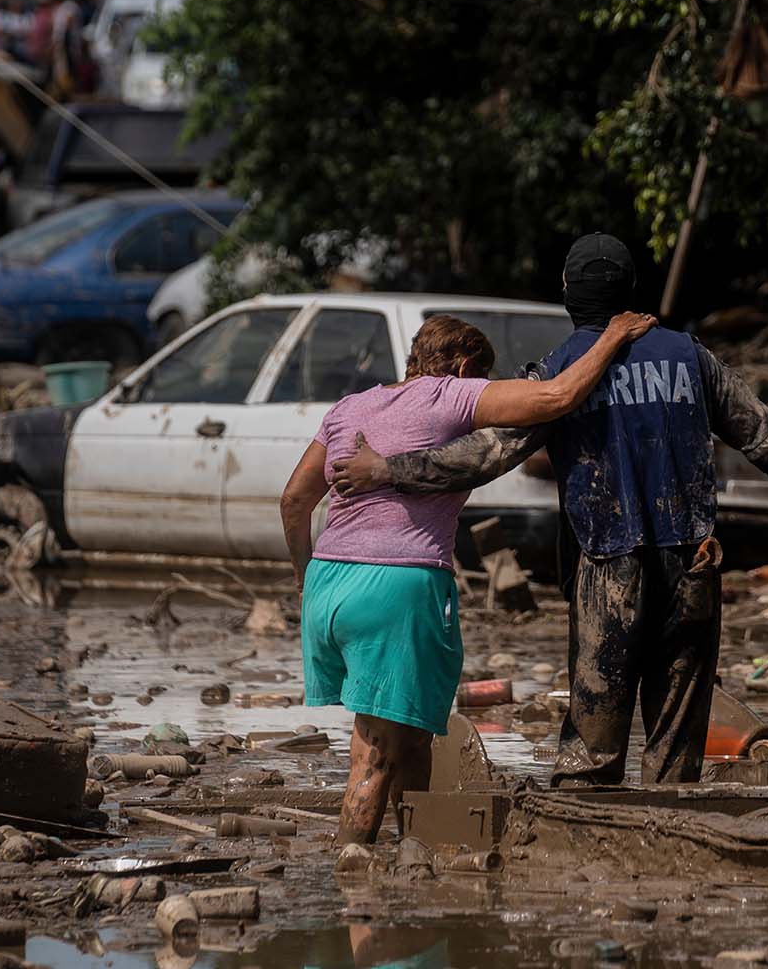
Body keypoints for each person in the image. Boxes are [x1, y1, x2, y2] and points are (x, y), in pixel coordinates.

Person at [332, 233, 768, 788]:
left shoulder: (562, 371)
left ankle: (584, 832)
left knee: (591, 749)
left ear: (569, 293)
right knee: (676, 741)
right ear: (630, 290)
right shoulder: (691, 357)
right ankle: (675, 829)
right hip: (693, 564)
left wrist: (390, 469)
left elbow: (487, 455)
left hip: (607, 566)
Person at [279, 310, 655, 845]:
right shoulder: (451, 396)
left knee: (413, 735)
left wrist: (306, 579)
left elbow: (294, 501)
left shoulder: (350, 406)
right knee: (374, 753)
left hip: (329, 584)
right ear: (462, 366)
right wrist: (614, 335)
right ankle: (351, 875)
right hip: (397, 585)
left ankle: (416, 851)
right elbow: (556, 397)